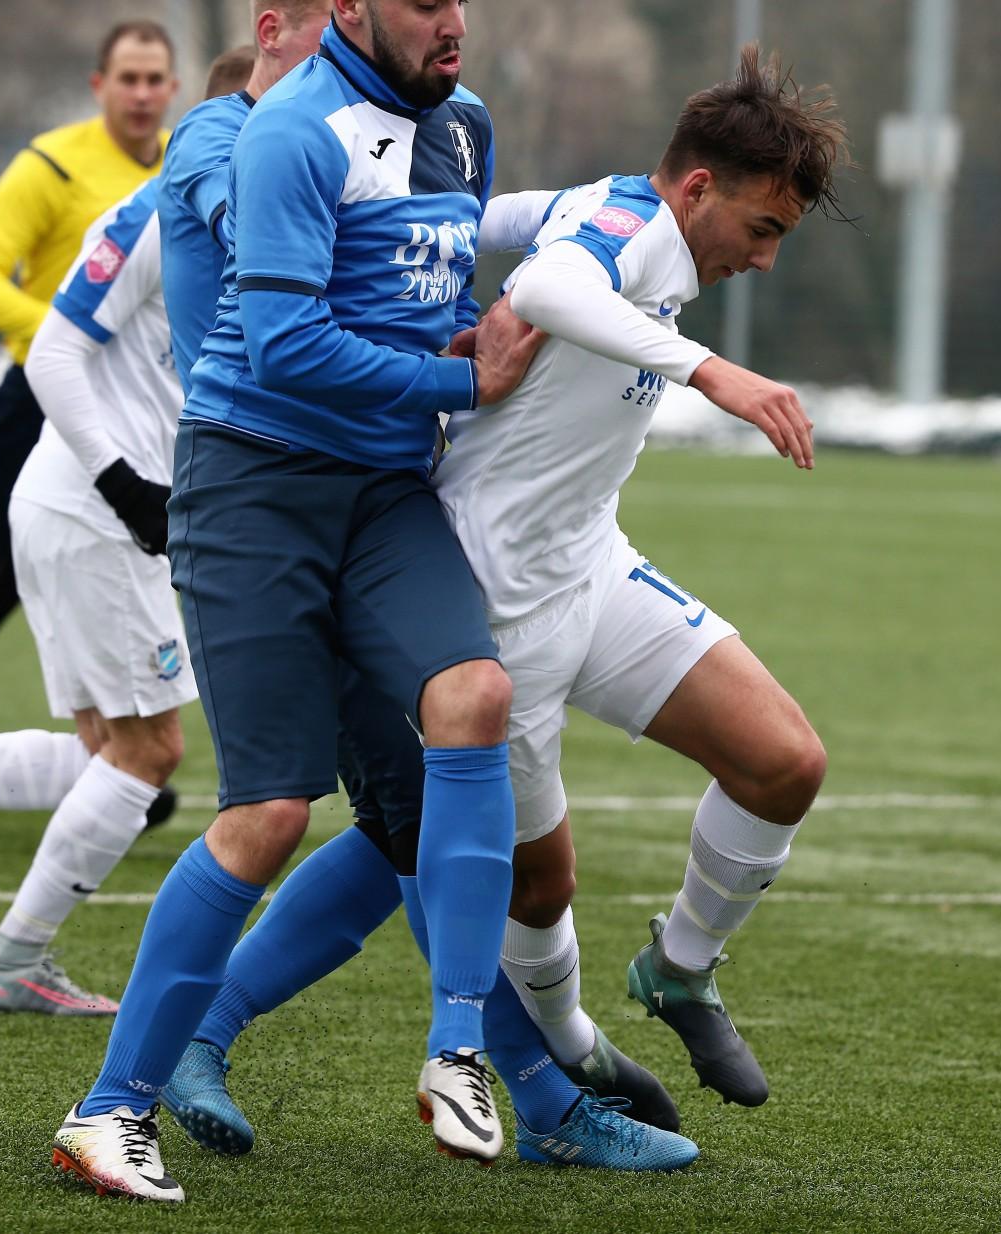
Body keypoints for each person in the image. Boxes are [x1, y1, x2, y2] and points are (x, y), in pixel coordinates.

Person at [145, 41, 845, 1158]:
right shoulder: (621, 232)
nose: (762, 258)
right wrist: (710, 370)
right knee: (474, 863)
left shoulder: (605, 207)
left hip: (592, 569)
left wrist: (449, 274)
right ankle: (565, 1064)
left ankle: (677, 971)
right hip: (481, 592)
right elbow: (559, 282)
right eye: (761, 230)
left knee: (783, 760)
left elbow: (483, 223)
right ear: (698, 187)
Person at [51, 0, 555, 1203]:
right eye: (424, 2)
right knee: (270, 812)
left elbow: (439, 295)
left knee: (474, 699)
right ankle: (108, 1109)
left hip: (384, 491)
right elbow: (283, 346)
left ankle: (458, 1051)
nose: (453, 22)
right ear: (347, 9)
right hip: (253, 487)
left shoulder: (466, 125)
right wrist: (463, 383)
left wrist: (478, 338)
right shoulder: (285, 131)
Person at [0, 42, 260, 1023]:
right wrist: (128, 487)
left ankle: (15, 959)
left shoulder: (241, 217)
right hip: (95, 513)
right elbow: (52, 353)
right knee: (148, 754)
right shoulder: (154, 213)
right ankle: (13, 960)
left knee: (105, 747)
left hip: (87, 511)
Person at [0, 21, 177, 654]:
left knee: (114, 573)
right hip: (42, 394)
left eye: (154, 80)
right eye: (128, 79)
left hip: (136, 401)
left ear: (174, 88)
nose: (141, 94)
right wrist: (61, 330)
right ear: (99, 85)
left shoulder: (186, 163)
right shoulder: (50, 164)